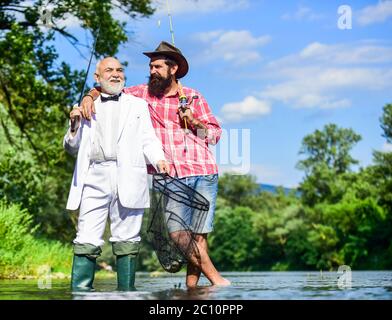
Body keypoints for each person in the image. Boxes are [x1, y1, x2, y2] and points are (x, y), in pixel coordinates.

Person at [80, 42, 230, 287]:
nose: (152, 71)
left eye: (158, 66)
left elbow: (213, 135)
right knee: (179, 236)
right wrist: (89, 95)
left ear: (173, 69)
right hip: (167, 175)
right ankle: (219, 282)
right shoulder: (139, 95)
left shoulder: (192, 96)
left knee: (198, 240)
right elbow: (108, 87)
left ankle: (193, 291)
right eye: (150, 66)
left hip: (203, 172)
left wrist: (192, 121)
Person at [64, 57, 169, 292]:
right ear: (97, 77)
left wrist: (159, 158)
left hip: (130, 174)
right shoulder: (85, 106)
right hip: (94, 175)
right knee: (86, 236)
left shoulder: (138, 105)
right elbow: (71, 148)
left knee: (128, 238)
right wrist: (73, 125)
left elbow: (147, 139)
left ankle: (127, 295)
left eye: (120, 70)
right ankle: (80, 295)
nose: (115, 74)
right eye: (109, 70)